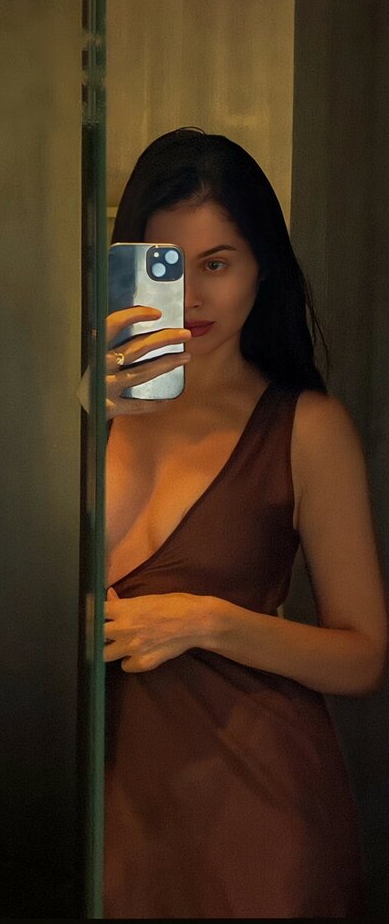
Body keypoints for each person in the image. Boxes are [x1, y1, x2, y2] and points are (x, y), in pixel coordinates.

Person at [102, 128, 387, 918]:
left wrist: (209, 621)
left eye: (218, 264)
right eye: (168, 264)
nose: (193, 297)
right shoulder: (89, 416)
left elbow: (365, 657)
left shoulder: (307, 428)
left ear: (263, 267)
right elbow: (21, 616)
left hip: (258, 819)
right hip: (108, 816)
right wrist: (97, 421)